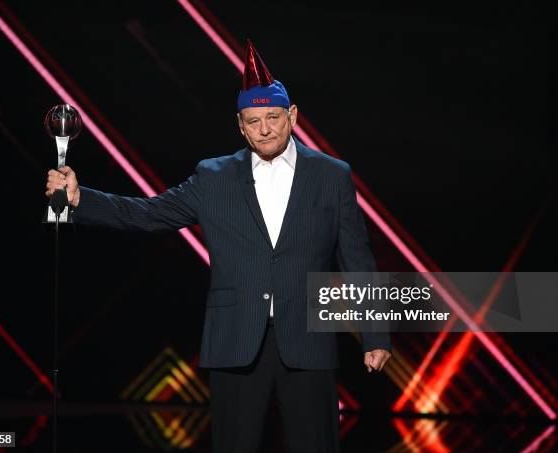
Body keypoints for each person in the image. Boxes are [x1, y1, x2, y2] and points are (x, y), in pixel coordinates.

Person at [45, 40, 391, 453]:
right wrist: (81, 199)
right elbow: (150, 214)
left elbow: (357, 259)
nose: (264, 129)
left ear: (292, 116)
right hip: (234, 342)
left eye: (273, 117)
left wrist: (375, 335)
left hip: (308, 342)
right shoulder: (213, 178)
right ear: (240, 125)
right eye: (253, 120)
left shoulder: (332, 176)